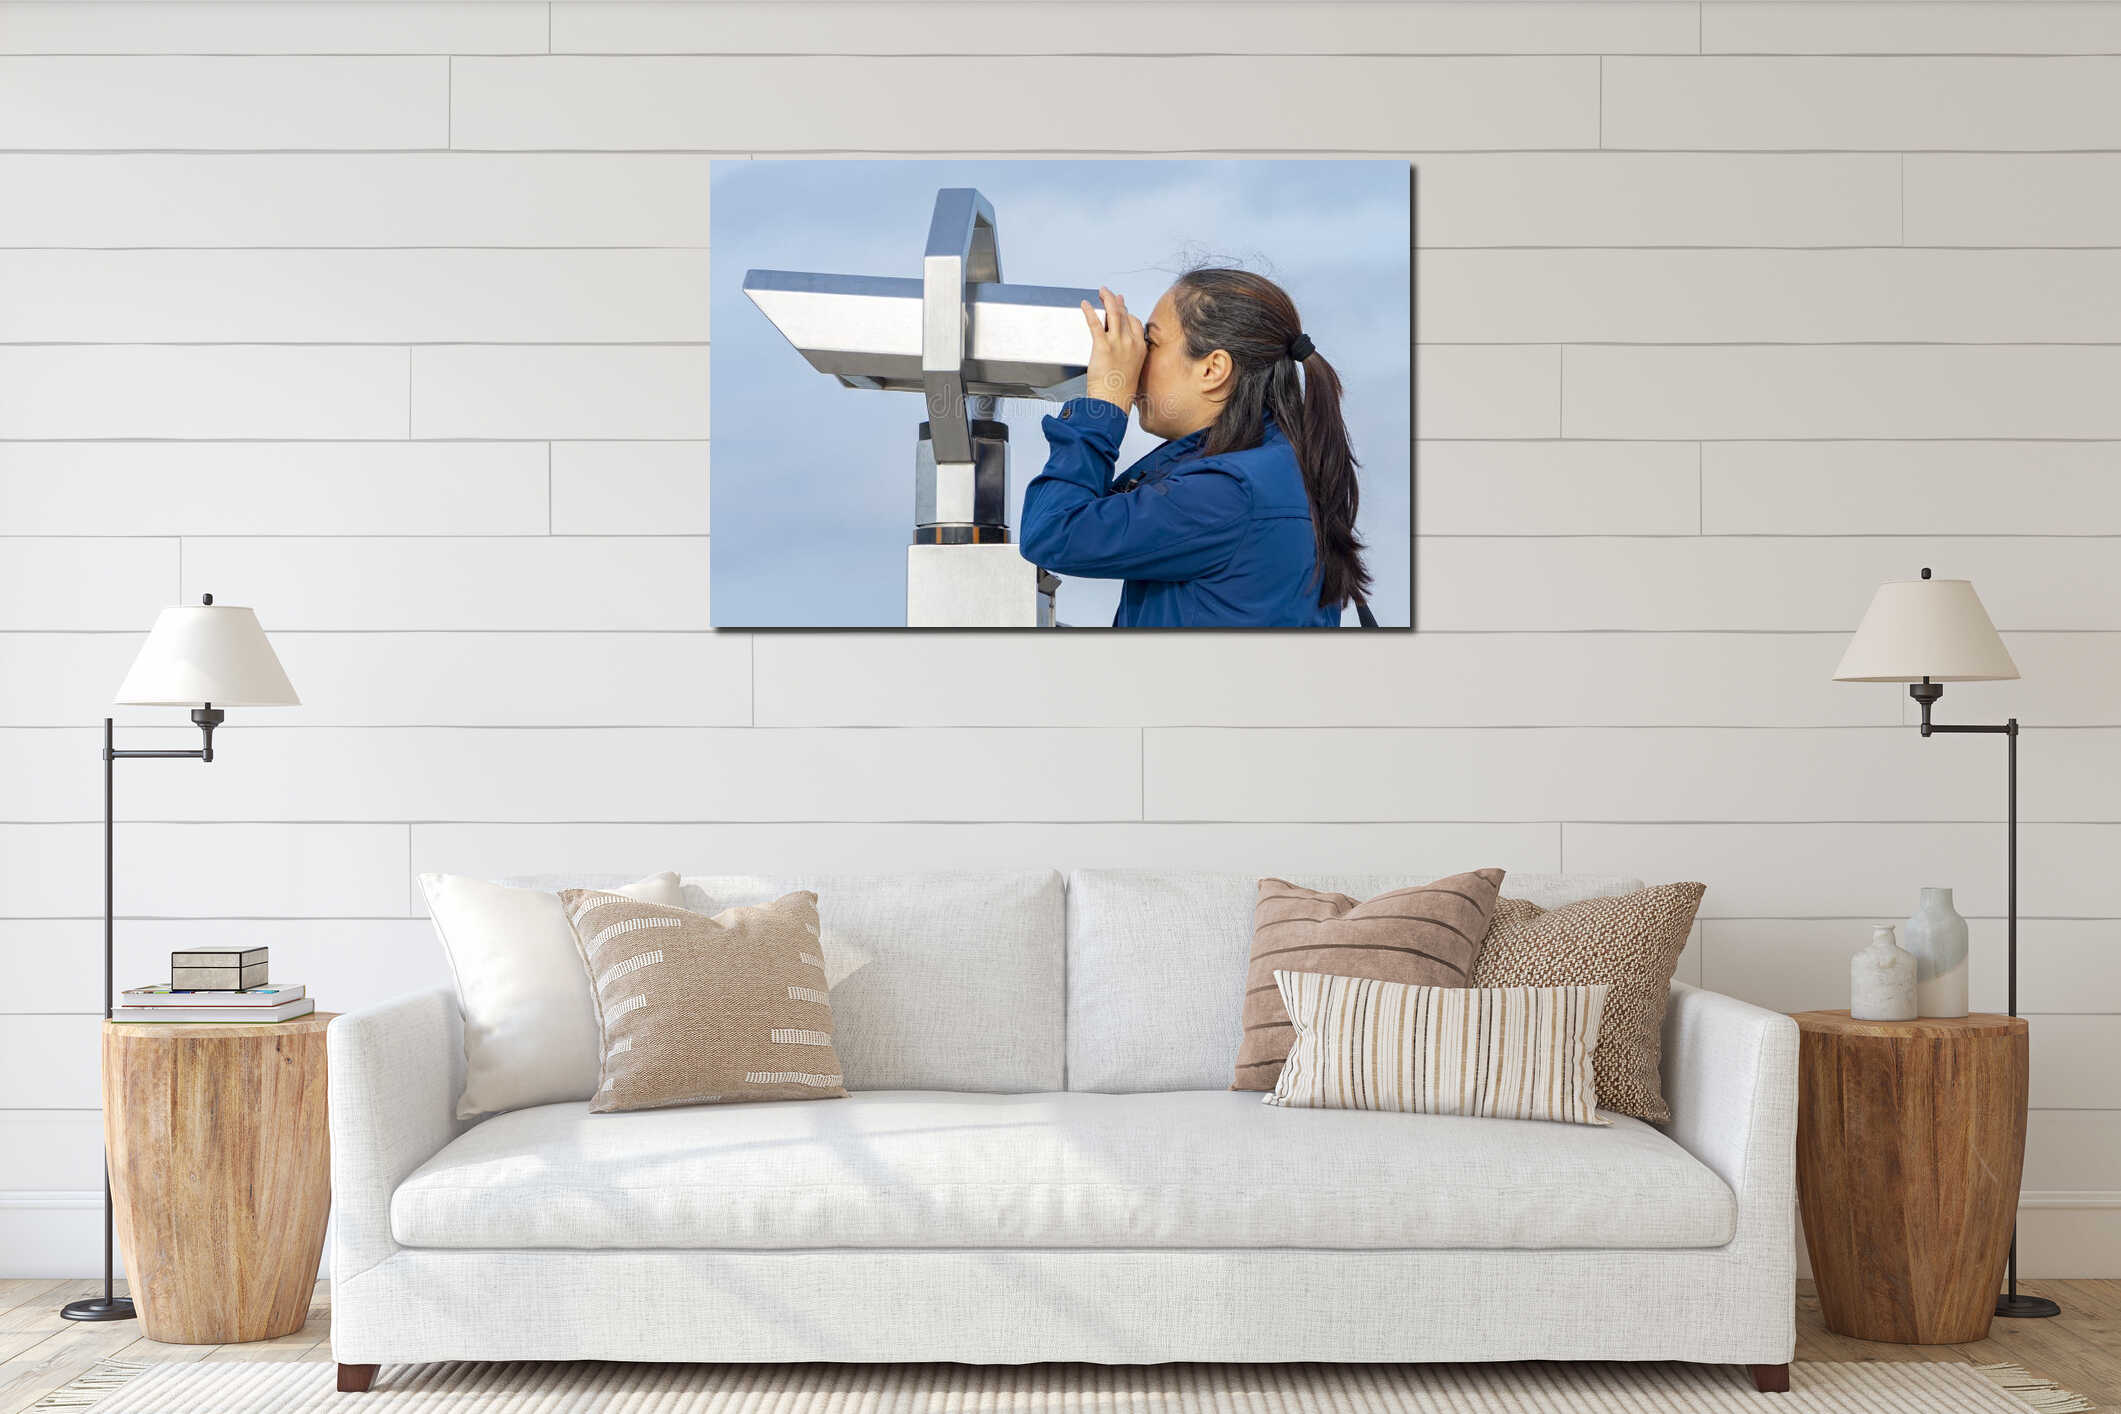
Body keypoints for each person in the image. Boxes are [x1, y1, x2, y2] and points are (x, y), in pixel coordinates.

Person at [1019, 268, 1371, 628]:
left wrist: (1104, 405)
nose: (1136, 361)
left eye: (1151, 343)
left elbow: (1053, 532)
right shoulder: (1269, 470)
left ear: (1212, 369)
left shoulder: (1229, 492)